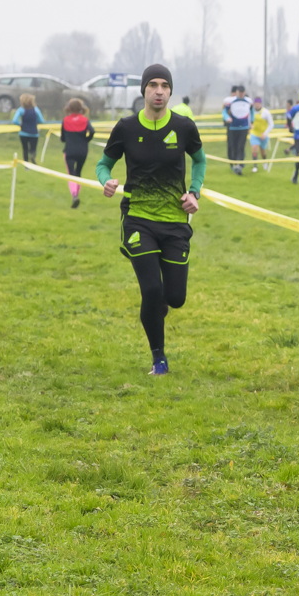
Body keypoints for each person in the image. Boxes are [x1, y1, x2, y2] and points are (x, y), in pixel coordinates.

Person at [97, 63, 206, 376]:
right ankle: (159, 358)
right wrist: (106, 181)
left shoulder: (184, 127)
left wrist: (194, 192)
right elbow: (103, 164)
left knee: (175, 298)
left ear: (170, 91)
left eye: (164, 86)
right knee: (152, 291)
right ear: (143, 90)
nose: (159, 91)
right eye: (153, 85)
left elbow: (199, 160)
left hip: (174, 221)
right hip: (138, 218)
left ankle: (157, 310)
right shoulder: (126, 128)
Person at [60, 98, 95, 208]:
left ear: (69, 108)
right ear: (81, 108)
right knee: (78, 172)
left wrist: (68, 138)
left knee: (71, 173)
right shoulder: (85, 120)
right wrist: (86, 140)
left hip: (69, 150)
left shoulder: (65, 120)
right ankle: (76, 194)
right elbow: (92, 131)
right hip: (83, 151)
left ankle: (75, 195)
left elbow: (62, 138)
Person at [221, 85, 252, 176]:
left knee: (241, 146)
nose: (241, 94)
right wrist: (227, 118)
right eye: (239, 93)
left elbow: (251, 112)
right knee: (233, 146)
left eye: (242, 93)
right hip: (233, 127)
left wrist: (251, 122)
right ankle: (233, 163)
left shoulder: (248, 101)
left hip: (244, 127)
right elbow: (224, 111)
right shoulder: (230, 101)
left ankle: (239, 164)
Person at [11, 93, 43, 162]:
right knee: (33, 149)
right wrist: (35, 122)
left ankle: (26, 164)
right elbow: (41, 120)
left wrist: (20, 124)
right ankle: (33, 161)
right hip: (34, 133)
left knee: (25, 149)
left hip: (23, 133)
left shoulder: (21, 110)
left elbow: (14, 120)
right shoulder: (36, 109)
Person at [248, 96, 272, 173]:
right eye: (255, 103)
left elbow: (271, 124)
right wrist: (250, 126)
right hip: (254, 134)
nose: (257, 105)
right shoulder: (251, 112)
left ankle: (264, 162)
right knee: (254, 148)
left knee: (262, 151)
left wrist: (265, 134)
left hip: (263, 135)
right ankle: (255, 166)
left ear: (261, 104)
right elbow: (248, 121)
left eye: (258, 103)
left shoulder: (266, 112)